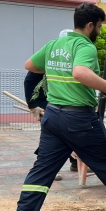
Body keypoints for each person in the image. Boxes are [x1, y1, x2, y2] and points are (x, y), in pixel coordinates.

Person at [9, 3, 106, 211]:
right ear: (90, 25)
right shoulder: (84, 46)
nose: (101, 32)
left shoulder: (54, 45)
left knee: (43, 169)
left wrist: (56, 74)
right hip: (80, 118)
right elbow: (80, 73)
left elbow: (30, 65)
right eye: (100, 27)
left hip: (53, 117)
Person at [24, 29, 78, 177]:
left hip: (61, 102)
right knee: (50, 136)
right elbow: (29, 82)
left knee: (65, 134)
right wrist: (33, 105)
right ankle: (46, 169)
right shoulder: (49, 57)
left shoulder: (71, 57)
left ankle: (74, 162)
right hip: (45, 103)